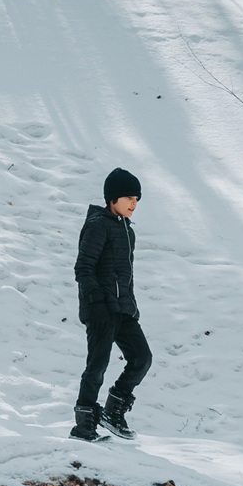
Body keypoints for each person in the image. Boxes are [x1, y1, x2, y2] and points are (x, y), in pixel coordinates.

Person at [70, 167, 152, 441]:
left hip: (123, 309)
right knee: (97, 365)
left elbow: (122, 275)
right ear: (112, 198)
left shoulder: (127, 231)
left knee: (141, 358)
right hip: (101, 309)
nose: (133, 203)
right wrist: (95, 302)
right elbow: (83, 267)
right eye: (129, 197)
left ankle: (112, 412)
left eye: (137, 199)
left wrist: (130, 305)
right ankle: (84, 427)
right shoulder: (98, 225)